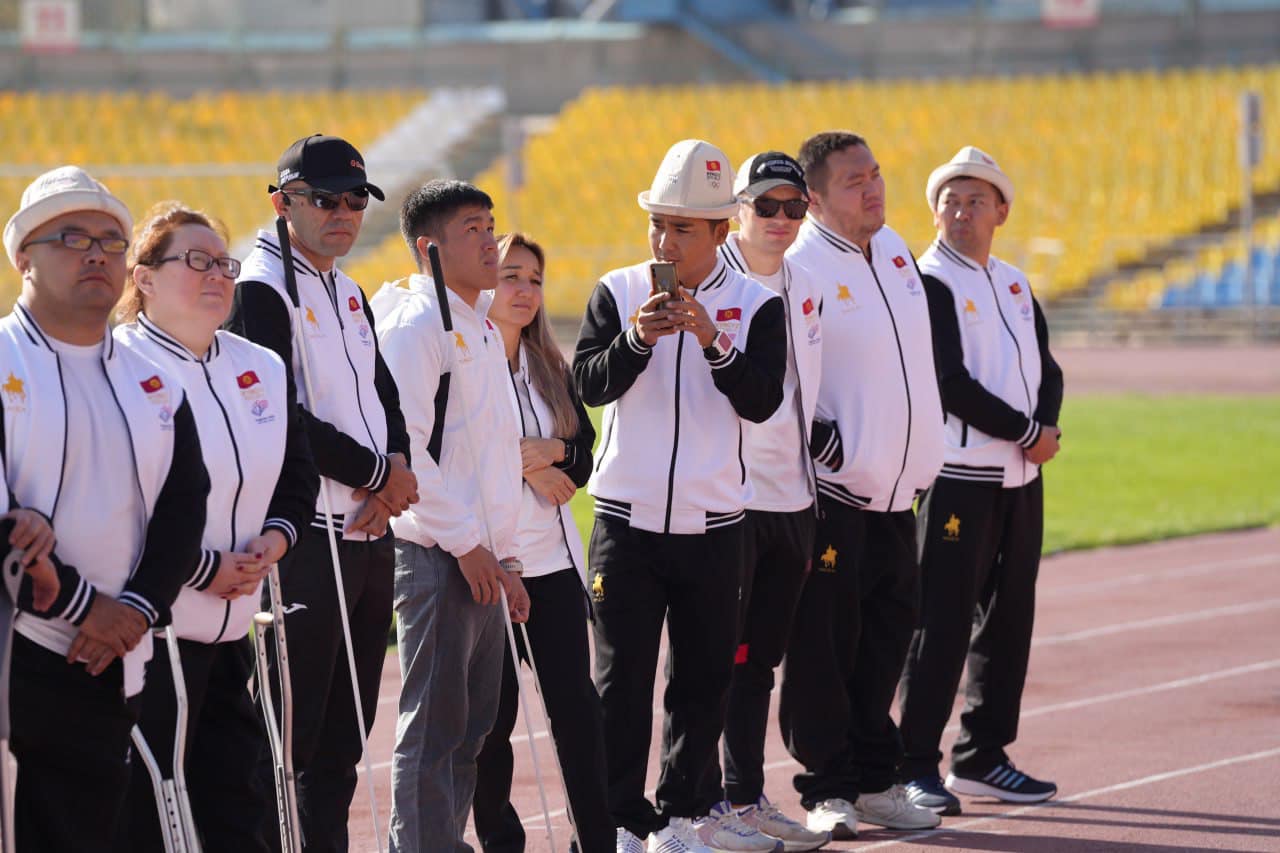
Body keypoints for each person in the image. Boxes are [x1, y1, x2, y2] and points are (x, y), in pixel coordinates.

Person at [573, 139, 787, 853]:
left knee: (702, 682)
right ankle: (617, 823)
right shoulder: (617, 290)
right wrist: (636, 341)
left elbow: (763, 401)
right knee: (620, 682)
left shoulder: (757, 304)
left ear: (721, 231)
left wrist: (714, 342)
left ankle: (684, 816)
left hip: (716, 522)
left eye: (682, 227)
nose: (664, 241)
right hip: (624, 522)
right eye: (657, 223)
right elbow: (587, 385)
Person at [0, 166, 209, 852]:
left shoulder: (157, 383)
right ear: (24, 256)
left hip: (114, 656)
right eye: (71, 237)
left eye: (110, 241)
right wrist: (86, 608)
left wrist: (135, 611)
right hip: (17, 654)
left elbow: (184, 510)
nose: (95, 253)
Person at [227, 134, 416, 852]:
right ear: (283, 203)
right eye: (326, 199)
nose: (344, 213)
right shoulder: (259, 287)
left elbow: (384, 395)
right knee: (287, 735)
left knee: (344, 736)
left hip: (367, 531)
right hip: (305, 535)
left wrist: (395, 468)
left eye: (356, 200)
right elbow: (277, 414)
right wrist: (376, 473)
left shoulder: (348, 288)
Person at [113, 202, 319, 851]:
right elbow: (119, 504)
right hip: (150, 640)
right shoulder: (117, 367)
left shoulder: (262, 365)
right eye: (195, 261)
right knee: (150, 820)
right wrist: (205, 567)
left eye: (224, 264)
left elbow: (297, 476)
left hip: (232, 637)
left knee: (239, 814)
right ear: (144, 277)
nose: (217, 276)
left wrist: (272, 544)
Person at [780, 131, 944, 838]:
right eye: (854, 180)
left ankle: (877, 780)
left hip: (899, 491)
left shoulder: (899, 249)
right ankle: (827, 786)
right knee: (824, 644)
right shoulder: (799, 265)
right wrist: (831, 445)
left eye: (875, 173)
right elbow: (783, 374)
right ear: (814, 198)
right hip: (835, 494)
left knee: (884, 640)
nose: (874, 187)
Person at [897, 147, 1065, 815]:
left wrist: (1045, 427)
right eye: (952, 202)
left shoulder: (1015, 282)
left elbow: (1047, 368)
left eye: (976, 201)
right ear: (935, 213)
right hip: (959, 478)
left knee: (1008, 618)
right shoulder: (928, 283)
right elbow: (949, 382)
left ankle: (983, 755)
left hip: (1020, 480)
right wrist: (1027, 431)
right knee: (939, 622)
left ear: (1002, 212)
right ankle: (914, 763)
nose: (963, 212)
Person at [370, 179, 530, 853]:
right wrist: (468, 544)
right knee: (434, 728)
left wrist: (506, 555)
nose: (491, 241)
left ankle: (442, 841)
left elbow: (489, 456)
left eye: (491, 225)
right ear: (428, 248)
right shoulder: (416, 328)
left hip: (481, 557)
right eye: (472, 230)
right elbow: (405, 455)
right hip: (438, 555)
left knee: (471, 729)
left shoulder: (481, 326)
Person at [700, 152, 829, 852]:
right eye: (766, 205)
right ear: (738, 210)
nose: (781, 219)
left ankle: (745, 796)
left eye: (794, 207)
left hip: (794, 498)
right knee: (713, 659)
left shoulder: (805, 284)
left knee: (758, 662)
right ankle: (701, 804)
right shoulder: (714, 282)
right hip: (731, 499)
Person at [472, 232, 614, 853]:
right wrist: (526, 464)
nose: (524, 290)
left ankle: (597, 840)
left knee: (578, 714)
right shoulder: (461, 364)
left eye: (534, 279)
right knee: (492, 723)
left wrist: (551, 450)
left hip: (553, 567)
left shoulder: (549, 366)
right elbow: (454, 455)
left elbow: (582, 458)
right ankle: (502, 842)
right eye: (510, 276)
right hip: (489, 568)